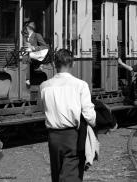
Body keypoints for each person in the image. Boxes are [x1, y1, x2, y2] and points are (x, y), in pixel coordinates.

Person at [40, 49, 96, 182]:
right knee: (72, 174)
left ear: (54, 64)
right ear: (73, 64)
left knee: (57, 171)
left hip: (53, 137)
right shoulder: (80, 85)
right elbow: (89, 115)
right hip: (72, 136)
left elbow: (43, 109)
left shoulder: (44, 86)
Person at [22, 21, 48, 87]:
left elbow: (45, 47)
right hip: (26, 55)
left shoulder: (37, 35)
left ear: (29, 28)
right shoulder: (25, 37)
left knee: (25, 58)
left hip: (34, 56)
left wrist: (33, 48)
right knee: (23, 58)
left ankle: (27, 79)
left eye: (26, 28)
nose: (24, 29)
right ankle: (24, 78)